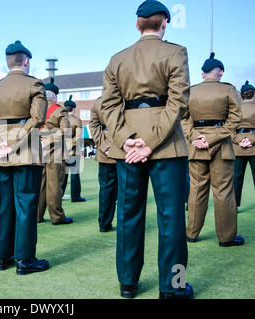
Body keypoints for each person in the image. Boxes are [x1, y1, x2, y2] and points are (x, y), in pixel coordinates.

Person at [101, 0, 193, 299]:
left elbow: (108, 105)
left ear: (137, 24)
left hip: (126, 148)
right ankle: (174, 287)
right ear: (165, 22)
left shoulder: (117, 58)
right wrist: (150, 142)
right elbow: (177, 101)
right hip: (166, 147)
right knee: (172, 219)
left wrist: (128, 139)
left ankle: (127, 284)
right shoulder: (175, 52)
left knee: (128, 216)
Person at [0, 40, 49, 274]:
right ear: (26, 61)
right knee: (26, 205)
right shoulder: (34, 83)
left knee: (2, 207)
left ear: (8, 62)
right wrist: (12, 143)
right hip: (25, 151)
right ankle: (25, 260)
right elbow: (37, 118)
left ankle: (2, 258)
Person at [182, 53, 243, 247]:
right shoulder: (229, 90)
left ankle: (191, 233)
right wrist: (213, 138)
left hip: (196, 145)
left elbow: (182, 119)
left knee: (196, 191)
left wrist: (196, 138)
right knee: (223, 191)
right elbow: (236, 119)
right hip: (222, 146)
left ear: (202, 74)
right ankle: (226, 238)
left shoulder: (190, 92)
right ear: (220, 73)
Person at [37, 78, 73, 225]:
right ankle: (57, 216)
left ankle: (37, 216)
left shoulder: (36, 109)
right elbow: (65, 131)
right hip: (55, 151)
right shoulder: (60, 110)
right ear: (55, 96)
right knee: (54, 185)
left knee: (39, 184)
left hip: (37, 150)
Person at [89, 96, 117, 232]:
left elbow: (93, 125)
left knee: (106, 189)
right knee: (127, 190)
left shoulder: (98, 102)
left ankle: (104, 224)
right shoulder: (126, 98)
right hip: (125, 148)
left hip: (105, 151)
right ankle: (125, 225)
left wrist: (104, 145)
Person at [232, 81, 255, 209]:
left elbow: (229, 129)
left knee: (237, 178)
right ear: (253, 94)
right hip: (254, 147)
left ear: (242, 95)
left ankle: (234, 206)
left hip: (238, 147)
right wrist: (250, 140)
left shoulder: (235, 110)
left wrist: (239, 140)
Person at [61, 95, 86, 202]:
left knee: (63, 176)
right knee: (75, 174)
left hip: (61, 150)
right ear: (74, 109)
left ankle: (59, 195)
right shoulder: (77, 120)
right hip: (73, 150)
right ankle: (75, 196)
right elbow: (78, 136)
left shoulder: (61, 119)